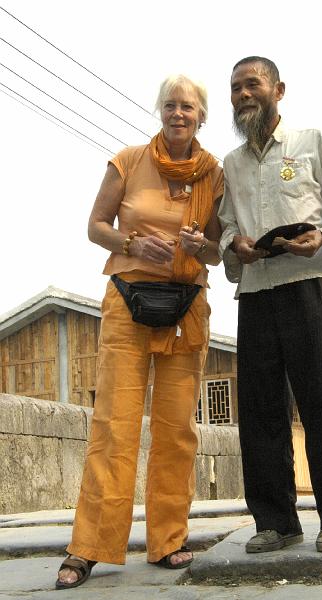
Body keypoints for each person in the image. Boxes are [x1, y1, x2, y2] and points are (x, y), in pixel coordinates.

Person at [56, 74, 223, 589]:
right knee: (114, 424)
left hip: (186, 308)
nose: (179, 114)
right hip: (128, 302)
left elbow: (219, 250)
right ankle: (88, 548)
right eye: (171, 105)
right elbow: (95, 226)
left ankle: (168, 540)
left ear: (201, 116)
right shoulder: (128, 160)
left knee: (176, 430)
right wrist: (130, 244)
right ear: (160, 111)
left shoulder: (214, 173)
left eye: (188, 107)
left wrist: (198, 248)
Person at [218, 56, 322, 554]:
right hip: (257, 291)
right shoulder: (231, 165)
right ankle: (276, 522)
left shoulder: (311, 142)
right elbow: (226, 227)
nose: (242, 95)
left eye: (251, 84)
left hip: (310, 284)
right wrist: (234, 245)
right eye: (236, 88)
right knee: (259, 410)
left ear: (278, 89)